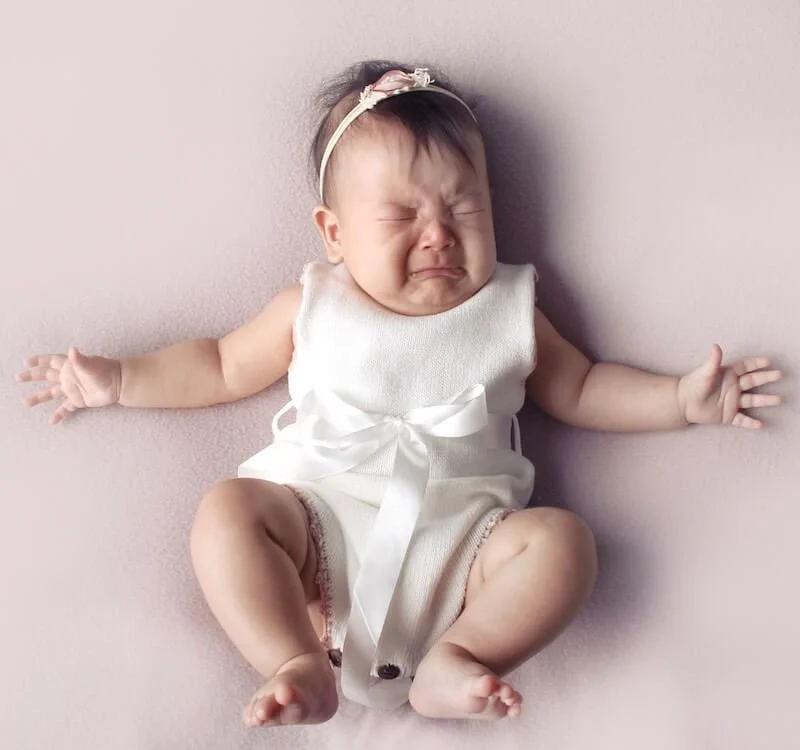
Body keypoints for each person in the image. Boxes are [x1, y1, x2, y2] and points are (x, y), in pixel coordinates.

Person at [16, 61, 783, 728]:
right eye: (403, 215)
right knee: (228, 511)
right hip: (317, 531)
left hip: (469, 549)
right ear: (334, 233)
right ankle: (293, 659)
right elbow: (218, 365)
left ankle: (461, 656)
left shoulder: (509, 311)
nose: (438, 235)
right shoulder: (313, 305)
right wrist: (118, 381)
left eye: (463, 208)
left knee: (564, 545)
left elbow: (582, 387)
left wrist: (679, 401)